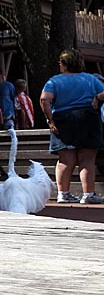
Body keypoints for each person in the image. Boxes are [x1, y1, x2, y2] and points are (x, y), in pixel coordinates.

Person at [40, 48, 104, 204]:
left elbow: (44, 99)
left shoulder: (54, 81)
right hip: (87, 118)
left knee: (65, 160)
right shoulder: (90, 79)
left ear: (63, 64)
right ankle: (88, 194)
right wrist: (97, 97)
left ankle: (63, 193)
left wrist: (50, 120)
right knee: (87, 159)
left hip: (62, 120)